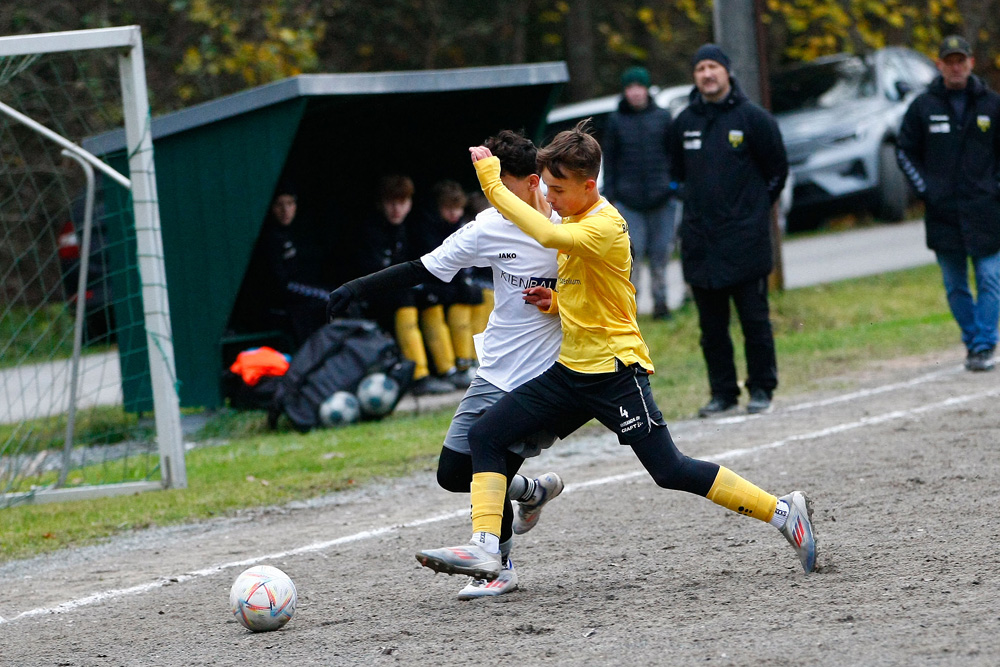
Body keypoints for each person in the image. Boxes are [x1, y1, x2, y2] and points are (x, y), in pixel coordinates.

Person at [415, 121, 817, 584]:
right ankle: (487, 550)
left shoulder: (602, 225)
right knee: (485, 436)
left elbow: (548, 239)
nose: (550, 200)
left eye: (558, 190)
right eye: (546, 188)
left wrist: (490, 180)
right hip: (570, 372)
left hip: (614, 373)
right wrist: (559, 301)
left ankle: (783, 511)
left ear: (589, 186)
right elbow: (598, 289)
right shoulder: (571, 217)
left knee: (670, 470)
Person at [327, 130, 567, 598]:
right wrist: (357, 287)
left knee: (488, 454)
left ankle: (499, 566)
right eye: (486, 187)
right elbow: (423, 267)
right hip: (495, 368)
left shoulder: (567, 222)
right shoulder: (489, 225)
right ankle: (530, 492)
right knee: (453, 473)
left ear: (534, 181)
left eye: (501, 185)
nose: (493, 197)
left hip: (547, 376)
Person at [668, 44, 788, 417]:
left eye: (713, 67)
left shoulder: (754, 119)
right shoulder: (684, 123)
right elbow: (673, 176)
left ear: (727, 72)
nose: (707, 74)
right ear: (695, 76)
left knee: (754, 321)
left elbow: (777, 172)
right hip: (701, 243)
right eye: (700, 68)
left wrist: (752, 209)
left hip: (746, 241)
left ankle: (761, 388)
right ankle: (722, 393)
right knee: (712, 329)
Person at [897, 35, 1000, 372]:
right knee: (955, 284)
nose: (955, 67)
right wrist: (927, 190)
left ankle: (984, 343)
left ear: (971, 63)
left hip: (985, 210)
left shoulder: (991, 105)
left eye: (961, 60)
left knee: (989, 278)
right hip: (943, 213)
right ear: (939, 65)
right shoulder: (923, 107)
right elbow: (904, 150)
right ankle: (973, 339)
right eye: (949, 61)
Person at [353, 175, 455, 395]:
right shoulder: (369, 230)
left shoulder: (408, 229)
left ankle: (449, 368)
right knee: (405, 298)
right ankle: (417, 375)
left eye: (402, 202)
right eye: (391, 202)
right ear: (381, 203)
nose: (396, 209)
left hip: (399, 291)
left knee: (432, 296)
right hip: (371, 296)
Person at [603, 65, 680, 320]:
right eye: (630, 88)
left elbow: (673, 156)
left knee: (661, 253)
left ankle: (661, 303)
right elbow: (610, 161)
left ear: (647, 89)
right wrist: (612, 196)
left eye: (639, 87)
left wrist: (673, 187)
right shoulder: (616, 122)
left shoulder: (662, 117)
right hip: (629, 201)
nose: (635, 93)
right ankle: (630, 309)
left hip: (662, 199)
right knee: (631, 257)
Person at [410, 180, 485, 385]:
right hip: (430, 284)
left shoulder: (461, 227)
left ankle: (470, 360)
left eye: (458, 208)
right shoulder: (425, 229)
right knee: (434, 306)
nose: (454, 213)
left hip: (452, 284)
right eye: (448, 208)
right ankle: (448, 368)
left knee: (475, 296)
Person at [244, 182, 331, 347]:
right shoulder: (270, 239)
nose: (285, 211)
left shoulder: (298, 233)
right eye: (279, 204)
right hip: (278, 302)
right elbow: (280, 285)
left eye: (290, 204)